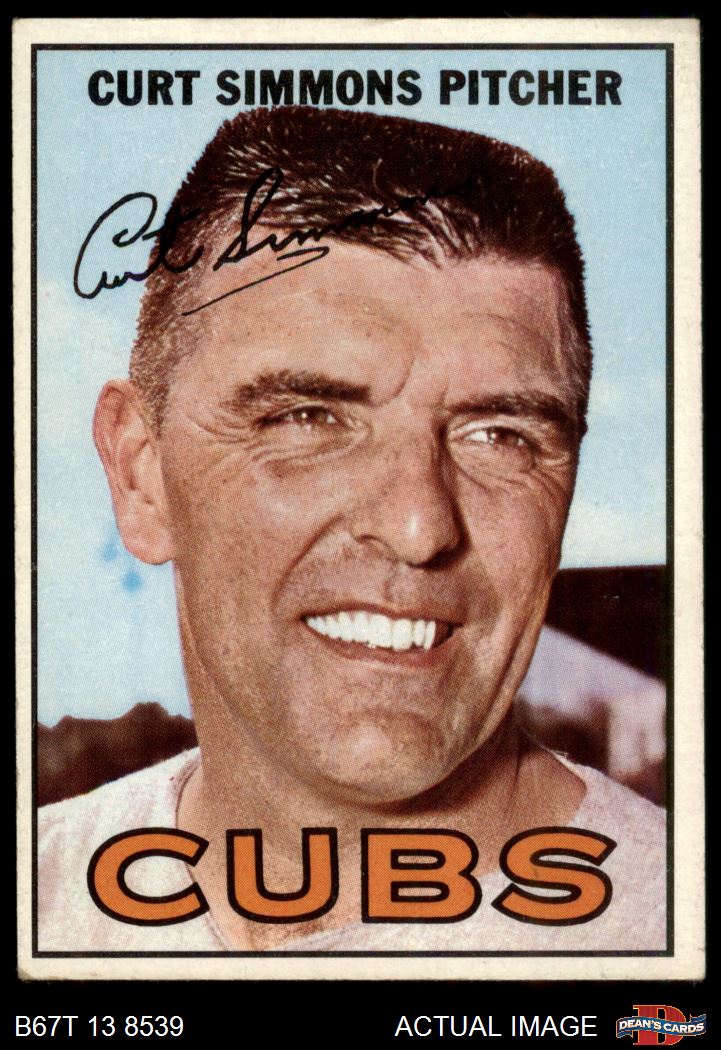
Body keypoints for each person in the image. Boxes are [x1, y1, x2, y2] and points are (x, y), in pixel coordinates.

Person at [38, 106, 665, 952]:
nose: (417, 527)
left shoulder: (668, 931)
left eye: (499, 435)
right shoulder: (42, 903)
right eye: (308, 417)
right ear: (140, 476)